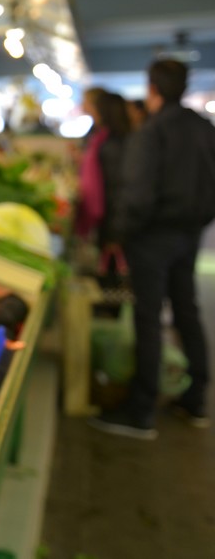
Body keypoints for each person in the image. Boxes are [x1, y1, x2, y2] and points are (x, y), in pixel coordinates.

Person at [90, 59, 215, 439]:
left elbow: (137, 194)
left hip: (152, 237)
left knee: (148, 317)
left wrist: (120, 234)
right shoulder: (204, 128)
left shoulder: (152, 131)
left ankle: (141, 410)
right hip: (190, 234)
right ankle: (195, 399)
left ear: (152, 88)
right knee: (186, 310)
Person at [75, 88, 132, 285]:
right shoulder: (105, 139)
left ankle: (110, 297)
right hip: (110, 216)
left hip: (112, 217)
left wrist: (114, 231)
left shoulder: (111, 144)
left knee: (110, 271)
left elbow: (117, 187)